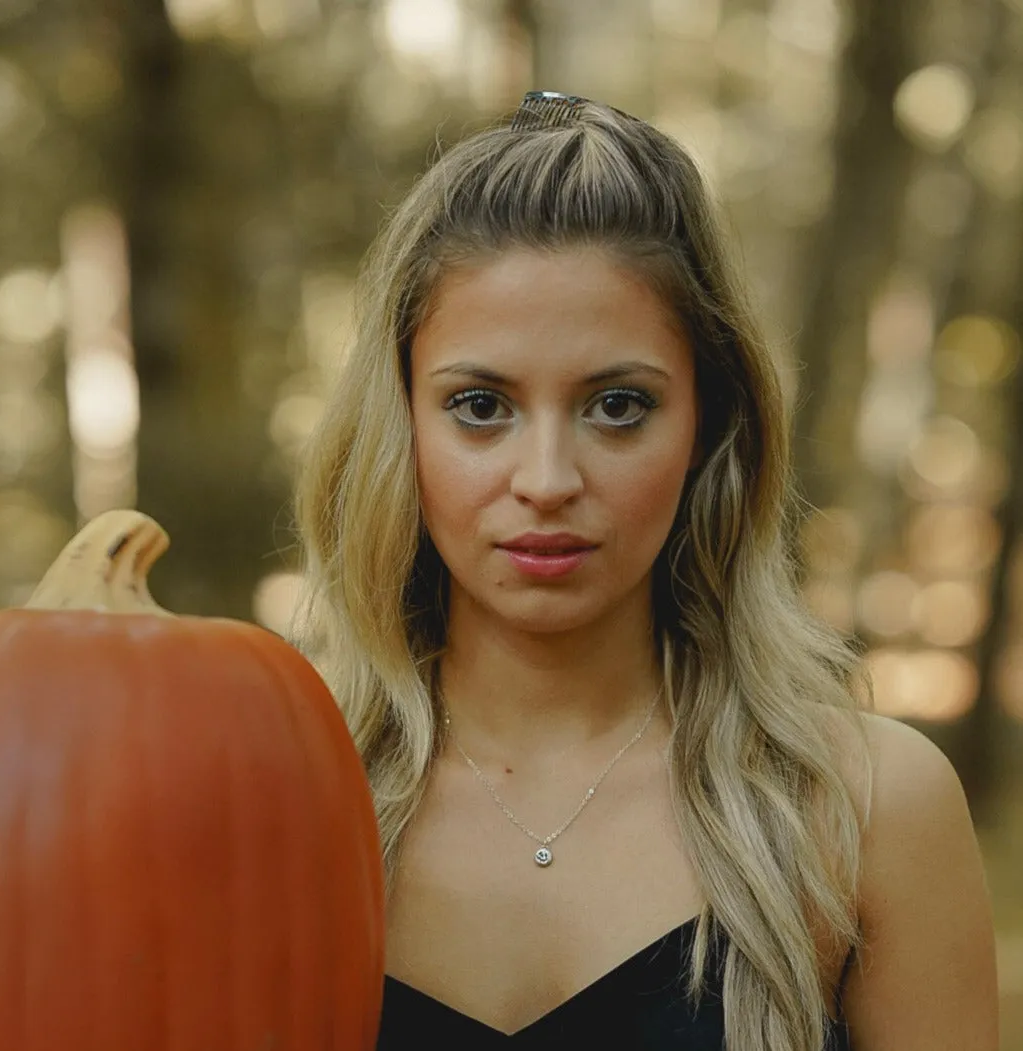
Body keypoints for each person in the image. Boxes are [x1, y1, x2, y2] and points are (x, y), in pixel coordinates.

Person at [291, 91, 999, 1050]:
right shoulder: (275, 797)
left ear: (708, 424)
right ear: (400, 421)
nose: (545, 480)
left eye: (618, 405)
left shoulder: (865, 811)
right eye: (479, 406)